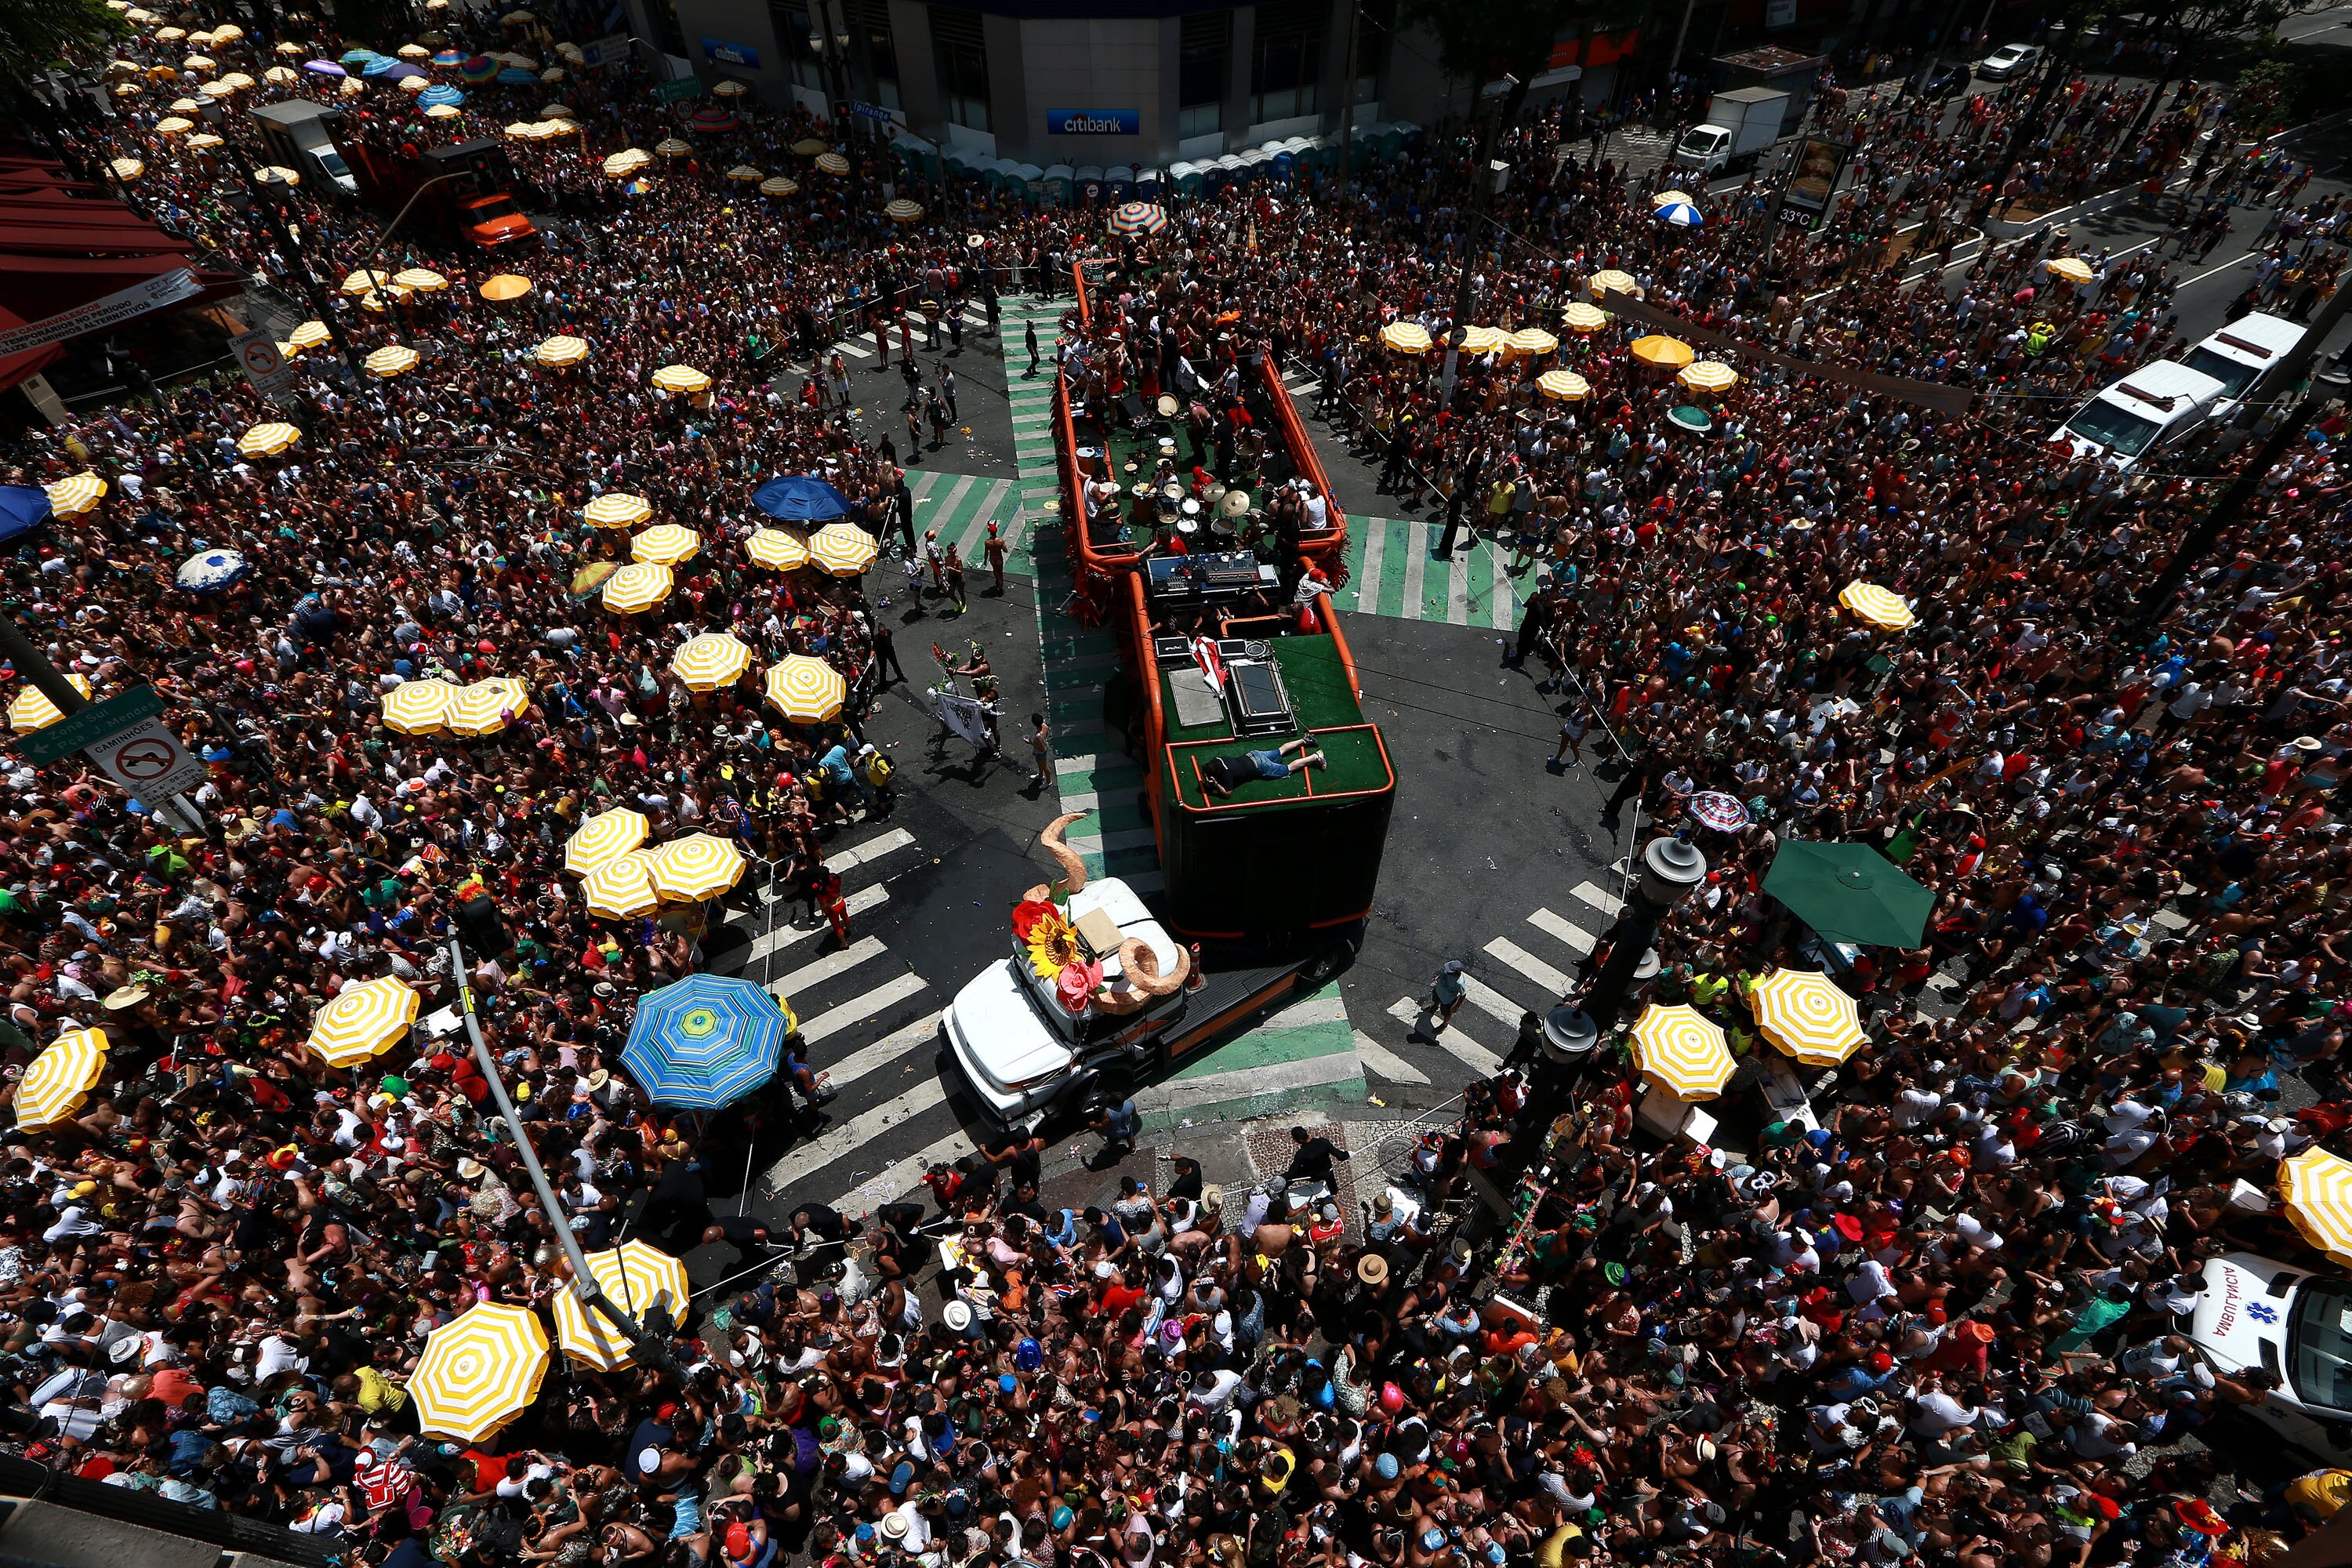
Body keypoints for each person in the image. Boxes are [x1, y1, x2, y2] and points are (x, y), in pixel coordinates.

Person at [1429, 960, 1469, 1033]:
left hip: (1447, 1000)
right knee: (1435, 1000)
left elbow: (1463, 995)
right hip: (1438, 991)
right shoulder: (1448, 972)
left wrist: (1457, 1006)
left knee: (1446, 1013)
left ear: (1456, 973)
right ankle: (1434, 1007)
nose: (1447, 971)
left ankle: (1445, 1024)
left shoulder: (1459, 983)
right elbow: (1442, 974)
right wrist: (1437, 980)